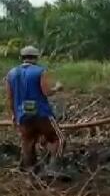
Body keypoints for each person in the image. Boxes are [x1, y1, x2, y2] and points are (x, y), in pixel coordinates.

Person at [4, 45, 65, 176]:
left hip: (22, 115)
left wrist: (14, 115)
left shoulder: (11, 74)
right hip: (42, 114)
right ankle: (53, 168)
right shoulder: (40, 71)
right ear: (36, 58)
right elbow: (46, 92)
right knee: (58, 138)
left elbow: (10, 97)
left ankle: (30, 171)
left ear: (22, 58)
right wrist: (57, 88)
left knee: (28, 141)